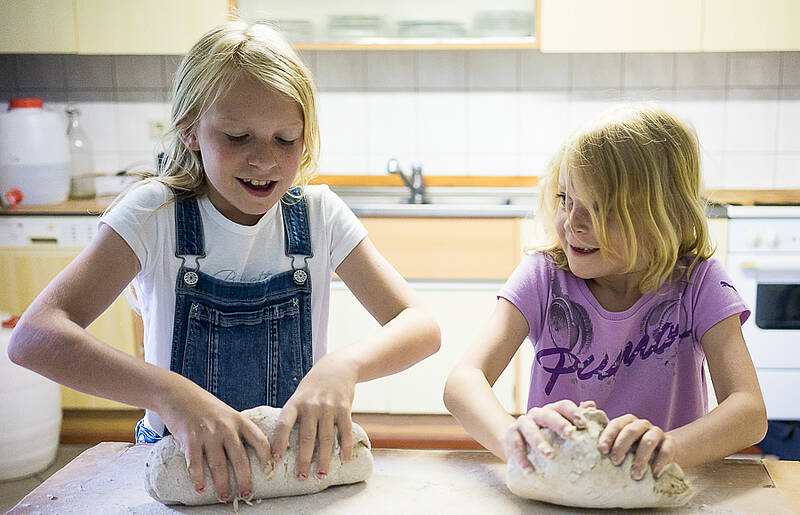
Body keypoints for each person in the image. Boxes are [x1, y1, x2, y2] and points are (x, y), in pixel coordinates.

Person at [8, 21, 440, 503]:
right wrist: (171, 395)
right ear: (191, 129)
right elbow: (35, 337)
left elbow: (420, 325)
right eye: (238, 136)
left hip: (289, 470)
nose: (264, 160)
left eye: (286, 139)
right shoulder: (154, 216)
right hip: (183, 468)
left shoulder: (319, 217)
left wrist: (346, 365)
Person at [443, 105, 766, 481]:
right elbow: (463, 380)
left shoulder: (698, 284)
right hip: (560, 483)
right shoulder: (544, 276)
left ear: (661, 213)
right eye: (566, 199)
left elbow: (749, 411)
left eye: (599, 209)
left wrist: (670, 446)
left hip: (656, 485)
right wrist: (511, 437)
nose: (573, 224)